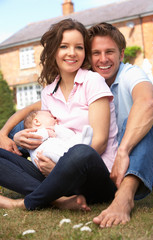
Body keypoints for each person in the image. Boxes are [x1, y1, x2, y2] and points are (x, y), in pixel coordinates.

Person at [0, 19, 118, 212]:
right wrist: (22, 139)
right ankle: (60, 199)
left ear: (84, 52)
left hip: (95, 175)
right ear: (54, 50)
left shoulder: (93, 81)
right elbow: (45, 133)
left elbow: (100, 142)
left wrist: (60, 168)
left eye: (78, 47)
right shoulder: (48, 92)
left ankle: (26, 203)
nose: (72, 53)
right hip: (55, 175)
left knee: (81, 151)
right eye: (64, 46)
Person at [87, 22, 153, 227]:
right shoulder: (88, 82)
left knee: (138, 118)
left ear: (121, 54)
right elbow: (46, 102)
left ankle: (125, 197)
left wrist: (123, 150)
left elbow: (147, 102)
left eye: (109, 51)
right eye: (96, 53)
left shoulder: (131, 74)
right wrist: (5, 130)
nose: (103, 59)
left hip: (139, 165)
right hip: (107, 168)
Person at [24, 109, 93, 166]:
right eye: (51, 117)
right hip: (44, 155)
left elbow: (68, 136)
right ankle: (76, 160)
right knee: (58, 153)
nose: (56, 119)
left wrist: (57, 128)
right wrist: (46, 132)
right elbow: (31, 139)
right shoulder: (33, 133)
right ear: (37, 122)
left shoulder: (53, 132)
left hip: (61, 148)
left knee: (72, 142)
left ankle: (83, 142)